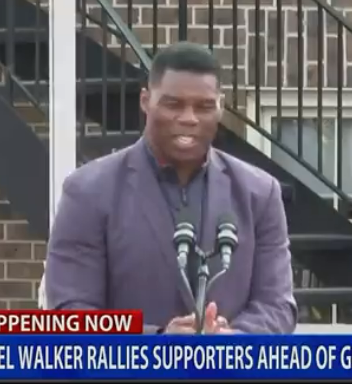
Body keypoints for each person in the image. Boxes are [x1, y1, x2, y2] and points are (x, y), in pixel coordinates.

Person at [44, 42, 297, 334]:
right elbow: (70, 312)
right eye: (173, 104)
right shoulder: (88, 192)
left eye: (204, 106)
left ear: (221, 107)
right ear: (145, 101)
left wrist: (235, 340)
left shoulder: (260, 193)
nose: (189, 118)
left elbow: (277, 305)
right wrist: (158, 341)